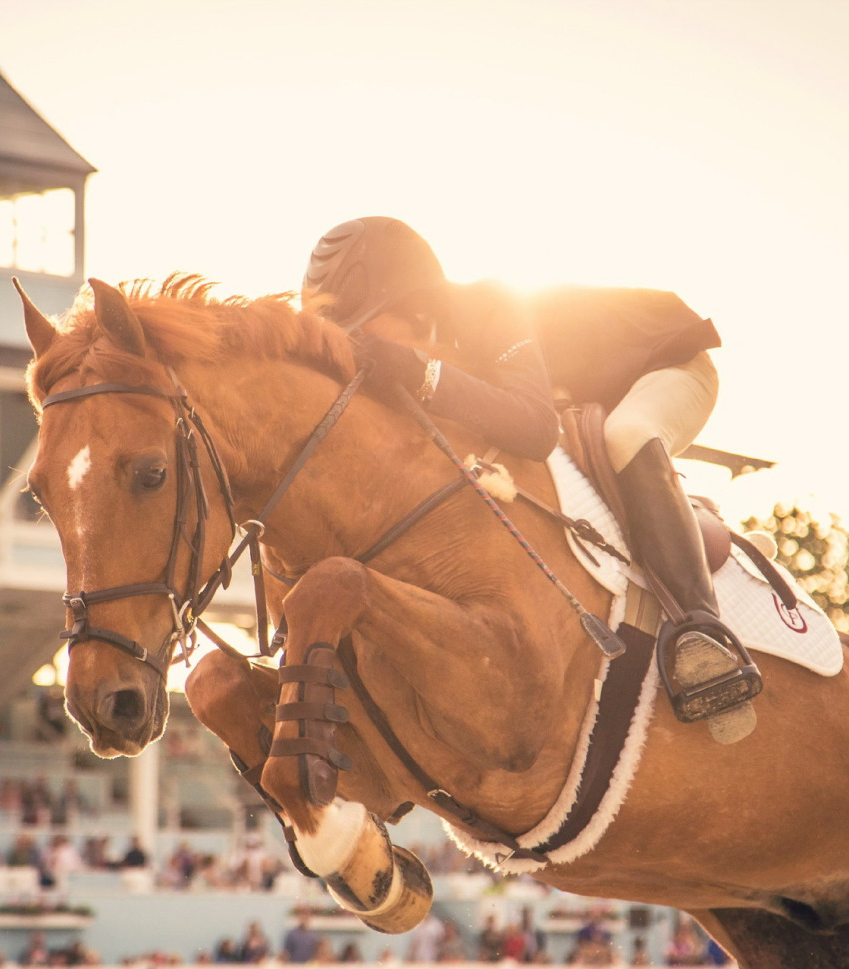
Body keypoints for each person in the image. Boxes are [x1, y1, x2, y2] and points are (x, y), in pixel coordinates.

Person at [301, 216, 761, 716]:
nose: (353, 344)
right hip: (582, 391)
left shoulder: (493, 305)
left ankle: (704, 630)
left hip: (670, 367)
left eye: (360, 327)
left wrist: (415, 370)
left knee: (626, 436)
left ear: (411, 307)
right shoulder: (429, 335)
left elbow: (535, 430)